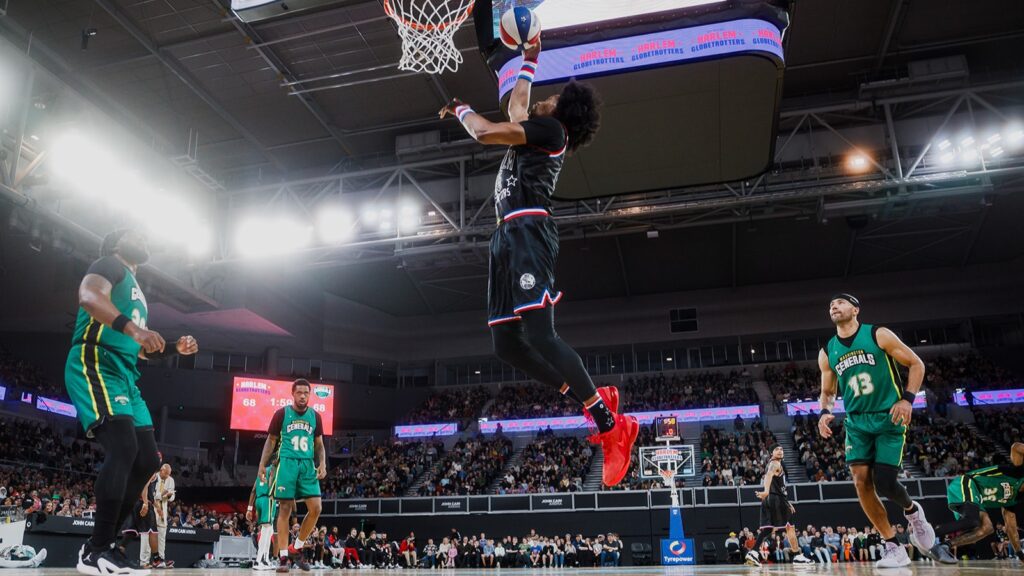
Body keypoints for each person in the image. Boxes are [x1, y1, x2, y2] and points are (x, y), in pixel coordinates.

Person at [439, 36, 637, 487]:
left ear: (562, 113)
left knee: (542, 336)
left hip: (528, 231)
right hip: (505, 237)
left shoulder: (553, 133)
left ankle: (611, 425)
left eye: (552, 99)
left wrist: (461, 108)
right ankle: (592, 397)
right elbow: (516, 109)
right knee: (506, 345)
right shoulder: (535, 133)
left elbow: (487, 131)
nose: (542, 100)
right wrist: (529, 58)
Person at [66, 229, 199, 575]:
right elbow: (88, 296)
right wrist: (136, 330)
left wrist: (171, 349)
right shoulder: (108, 263)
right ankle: (94, 550)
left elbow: (139, 349)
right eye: (131, 231)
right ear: (114, 243)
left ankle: (105, 546)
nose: (141, 234)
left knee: (145, 462)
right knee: (123, 448)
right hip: (96, 360)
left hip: (126, 373)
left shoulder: (136, 291)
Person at [817, 293, 938, 568]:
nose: (834, 306)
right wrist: (825, 411)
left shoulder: (878, 335)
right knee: (860, 481)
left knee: (885, 482)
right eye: (831, 305)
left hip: (888, 416)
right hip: (857, 422)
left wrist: (907, 399)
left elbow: (916, 364)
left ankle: (913, 512)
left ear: (855, 309)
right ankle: (892, 545)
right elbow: (827, 391)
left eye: (840, 302)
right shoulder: (828, 350)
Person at [257, 379, 327, 572]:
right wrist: (262, 464)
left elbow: (319, 444)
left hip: (307, 465)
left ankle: (295, 548)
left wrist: (322, 463)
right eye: (299, 392)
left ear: (309, 394)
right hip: (286, 463)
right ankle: (283, 558)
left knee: (316, 508)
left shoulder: (316, 416)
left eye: (306, 392)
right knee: (285, 509)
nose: (303, 396)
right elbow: (270, 442)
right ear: (293, 394)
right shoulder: (281, 414)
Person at [930, 442, 1024, 563]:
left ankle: (944, 546)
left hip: (975, 498)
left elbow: (1011, 529)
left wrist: (1020, 554)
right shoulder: (1018, 472)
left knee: (987, 528)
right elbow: (1016, 447)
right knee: (973, 520)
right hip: (967, 483)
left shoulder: (1014, 500)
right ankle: (927, 532)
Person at [746, 445, 812, 566]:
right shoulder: (775, 464)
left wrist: (786, 502)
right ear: (771, 453)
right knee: (790, 527)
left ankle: (753, 552)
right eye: (777, 449)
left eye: (781, 449)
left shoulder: (773, 464)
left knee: (768, 529)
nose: (780, 451)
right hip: (775, 498)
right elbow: (768, 475)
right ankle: (797, 556)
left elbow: (776, 485)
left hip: (772, 499)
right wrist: (765, 490)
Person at [245, 456, 278, 570]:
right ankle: (259, 560)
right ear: (275, 460)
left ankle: (266, 560)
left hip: (259, 500)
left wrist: (249, 508)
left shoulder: (262, 471)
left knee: (269, 531)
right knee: (265, 531)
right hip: (268, 499)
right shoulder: (273, 469)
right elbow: (271, 483)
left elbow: (253, 490)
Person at [145, 464, 175, 568]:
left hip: (163, 509)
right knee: (148, 535)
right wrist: (161, 495)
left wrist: (170, 496)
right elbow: (151, 495)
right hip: (152, 508)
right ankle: (145, 561)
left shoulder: (170, 480)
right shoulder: (154, 477)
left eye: (168, 474)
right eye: (166, 474)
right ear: (161, 470)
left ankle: (160, 560)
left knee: (162, 536)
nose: (167, 476)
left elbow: (172, 497)